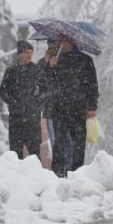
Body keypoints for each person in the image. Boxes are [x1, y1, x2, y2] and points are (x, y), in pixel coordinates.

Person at [49, 35, 99, 177]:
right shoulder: (57, 60)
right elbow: (48, 83)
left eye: (61, 41)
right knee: (59, 142)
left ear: (70, 42)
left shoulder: (85, 60)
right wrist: (50, 66)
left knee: (78, 142)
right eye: (59, 41)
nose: (59, 44)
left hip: (78, 108)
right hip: (60, 108)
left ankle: (76, 172)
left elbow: (92, 85)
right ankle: (57, 173)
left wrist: (92, 106)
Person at [0, 40, 41, 159]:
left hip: (33, 118)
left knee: (35, 155)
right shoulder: (11, 70)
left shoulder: (36, 69)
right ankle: (16, 176)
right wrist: (14, 103)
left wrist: (36, 102)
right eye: (27, 52)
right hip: (16, 118)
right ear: (20, 53)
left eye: (31, 52)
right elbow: (2, 91)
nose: (29, 55)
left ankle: (37, 176)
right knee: (15, 154)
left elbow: (45, 89)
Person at [37, 39, 74, 170]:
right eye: (51, 46)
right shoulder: (42, 63)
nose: (53, 48)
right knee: (55, 141)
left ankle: (68, 167)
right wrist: (48, 66)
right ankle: (59, 168)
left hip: (65, 108)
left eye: (55, 46)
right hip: (51, 110)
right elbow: (40, 85)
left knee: (68, 141)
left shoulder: (64, 62)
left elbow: (68, 83)